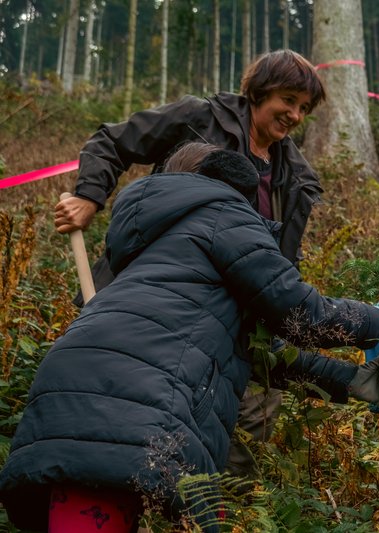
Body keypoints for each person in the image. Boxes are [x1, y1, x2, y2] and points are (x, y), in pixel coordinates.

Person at [0, 145, 379, 532]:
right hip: (137, 405)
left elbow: (254, 351)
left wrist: (352, 381)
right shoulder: (220, 213)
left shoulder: (148, 241)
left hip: (74, 392)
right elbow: (304, 316)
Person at [53, 49, 331, 478]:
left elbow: (279, 259)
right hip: (157, 301)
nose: (294, 115)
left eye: (303, 108)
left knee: (255, 412)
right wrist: (90, 196)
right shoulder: (200, 118)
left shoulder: (294, 175)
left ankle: (213, 512)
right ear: (260, 91)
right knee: (131, 409)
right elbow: (112, 140)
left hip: (231, 317)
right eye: (288, 100)